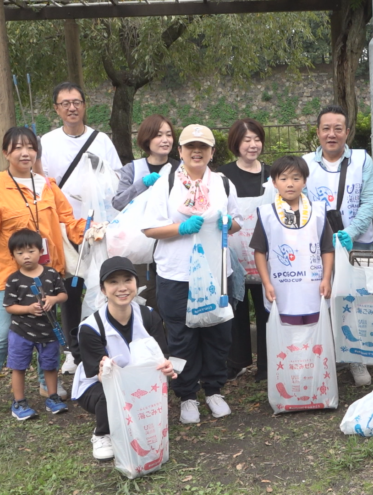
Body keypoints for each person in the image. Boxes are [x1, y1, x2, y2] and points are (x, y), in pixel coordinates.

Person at [0, 126, 95, 421]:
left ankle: (47, 385)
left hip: (47, 274)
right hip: (10, 277)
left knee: (46, 332)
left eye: (30, 147)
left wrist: (90, 230)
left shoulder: (47, 185)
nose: (24, 152)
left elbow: (68, 220)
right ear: (6, 152)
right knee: (2, 335)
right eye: (17, 147)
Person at [142, 124, 242, 425]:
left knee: (217, 333)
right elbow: (149, 228)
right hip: (176, 273)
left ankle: (213, 390)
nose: (196, 151)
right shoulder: (166, 182)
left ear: (212, 152)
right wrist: (180, 229)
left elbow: (236, 222)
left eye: (203, 147)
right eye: (189, 146)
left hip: (215, 271)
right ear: (180, 151)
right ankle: (186, 395)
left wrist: (225, 223)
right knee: (180, 336)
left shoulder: (222, 183)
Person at [37, 81, 124, 376]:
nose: (72, 108)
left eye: (77, 102)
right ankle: (73, 351)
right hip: (63, 228)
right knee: (70, 290)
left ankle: (104, 344)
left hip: (97, 228)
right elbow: (40, 184)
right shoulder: (46, 142)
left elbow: (116, 180)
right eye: (65, 103)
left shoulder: (101, 141)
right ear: (56, 109)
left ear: (85, 105)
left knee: (102, 285)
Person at [71, 257, 176, 461]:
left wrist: (166, 367)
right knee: (110, 393)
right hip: (98, 385)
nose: (122, 288)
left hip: (136, 378)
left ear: (136, 283)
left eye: (127, 280)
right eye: (113, 282)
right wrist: (109, 373)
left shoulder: (149, 316)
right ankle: (102, 433)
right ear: (102, 289)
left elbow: (162, 356)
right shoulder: (90, 327)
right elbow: (97, 374)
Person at [303, 105, 373, 386]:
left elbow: (369, 201)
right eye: (326, 128)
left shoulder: (361, 160)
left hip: (358, 245)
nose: (331, 134)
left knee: (355, 300)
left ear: (347, 132)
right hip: (318, 248)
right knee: (323, 298)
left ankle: (356, 358)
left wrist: (349, 232)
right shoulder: (306, 163)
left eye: (338, 128)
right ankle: (327, 357)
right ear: (318, 131)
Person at [252, 155, 334, 323]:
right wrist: (266, 283)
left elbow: (327, 248)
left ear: (304, 182)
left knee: (315, 339)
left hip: (314, 289)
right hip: (282, 289)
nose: (290, 184)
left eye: (296, 178)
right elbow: (259, 251)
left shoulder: (317, 212)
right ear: (274, 183)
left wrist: (326, 278)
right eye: (283, 178)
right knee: (287, 340)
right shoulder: (267, 214)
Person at [219, 119, 272, 382]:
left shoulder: (273, 174)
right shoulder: (222, 175)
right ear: (235, 144)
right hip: (234, 254)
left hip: (266, 256)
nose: (252, 145)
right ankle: (236, 360)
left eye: (256, 139)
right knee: (236, 308)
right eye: (246, 140)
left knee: (266, 311)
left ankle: (267, 365)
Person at [111, 114, 180, 310]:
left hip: (174, 242)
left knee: (174, 302)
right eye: (158, 135)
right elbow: (118, 202)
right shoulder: (133, 169)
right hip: (141, 247)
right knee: (146, 300)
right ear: (147, 139)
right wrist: (141, 184)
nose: (165, 140)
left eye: (168, 135)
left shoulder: (181, 168)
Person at [3, 229, 69, 420]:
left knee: (50, 364)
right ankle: (19, 402)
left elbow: (63, 295)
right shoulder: (13, 279)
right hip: (21, 331)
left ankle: (53, 397)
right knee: (18, 366)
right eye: (20, 253)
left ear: (41, 251)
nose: (26, 256)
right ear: (13, 255)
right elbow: (9, 306)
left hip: (48, 330)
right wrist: (28, 309)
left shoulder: (51, 274)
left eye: (31, 251)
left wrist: (53, 299)